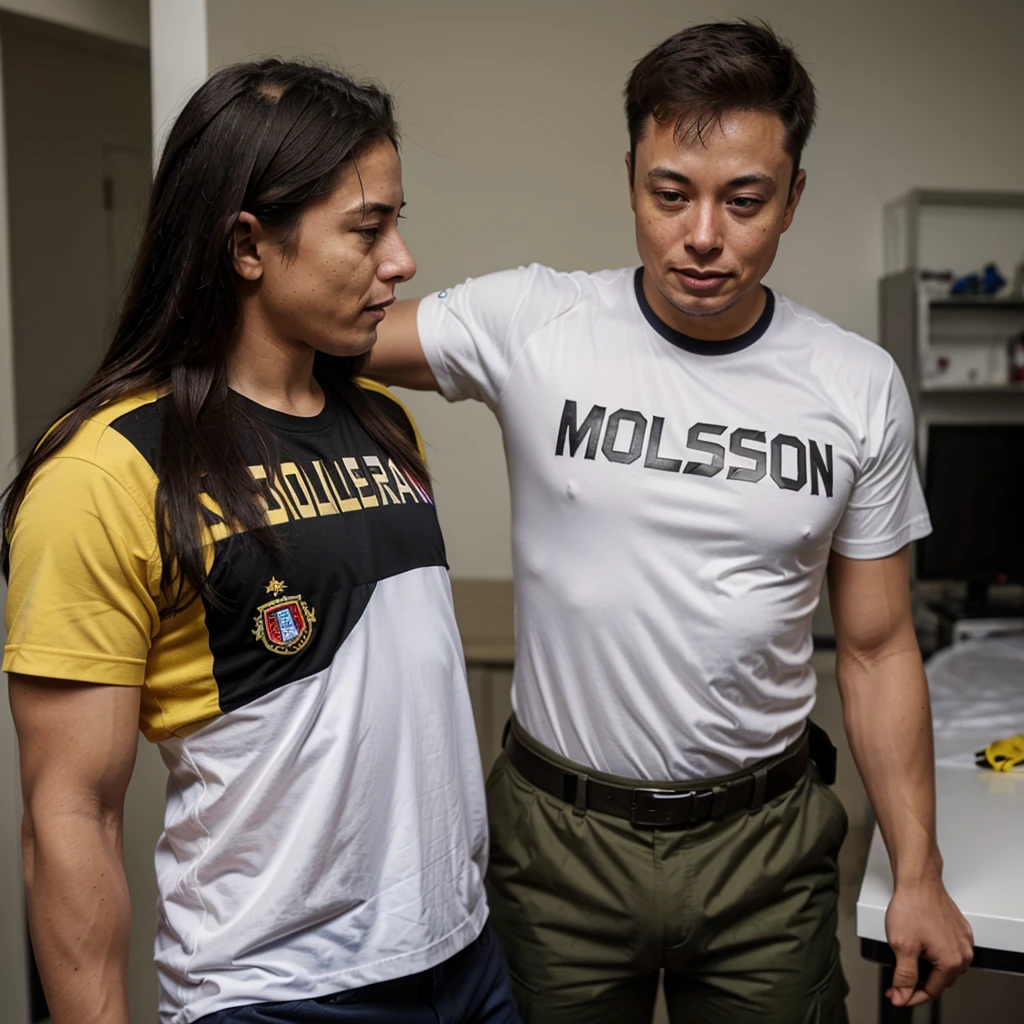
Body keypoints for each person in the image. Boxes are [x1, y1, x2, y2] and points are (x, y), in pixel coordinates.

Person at [368, 20, 974, 1024]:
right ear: (631, 177)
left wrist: (919, 869)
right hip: (558, 843)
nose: (702, 235)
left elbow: (874, 648)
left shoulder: (856, 384)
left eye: (743, 200)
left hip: (762, 848)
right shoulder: (533, 322)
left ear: (792, 196)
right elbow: (321, 325)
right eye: (669, 194)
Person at [3, 59, 520, 1024]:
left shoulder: (381, 424)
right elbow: (70, 816)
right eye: (367, 230)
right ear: (249, 245)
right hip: (276, 994)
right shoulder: (108, 471)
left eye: (395, 223)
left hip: (464, 961)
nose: (401, 260)